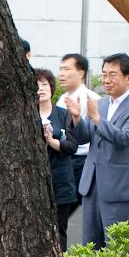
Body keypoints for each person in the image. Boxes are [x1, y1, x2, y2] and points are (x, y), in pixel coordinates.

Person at [67, 53, 129, 247]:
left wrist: (96, 118)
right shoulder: (101, 103)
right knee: (90, 246)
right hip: (92, 183)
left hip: (118, 188)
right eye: (104, 74)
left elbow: (122, 138)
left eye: (112, 75)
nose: (106, 80)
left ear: (128, 78)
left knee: (117, 249)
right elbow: (83, 137)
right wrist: (77, 119)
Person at [33, 69, 78, 248]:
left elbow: (72, 146)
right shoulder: (25, 115)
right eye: (36, 85)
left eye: (44, 84)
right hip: (34, 182)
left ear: (51, 88)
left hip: (60, 181)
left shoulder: (63, 114)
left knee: (59, 231)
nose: (41, 88)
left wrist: (52, 141)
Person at [54, 53, 100, 223]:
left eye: (66, 69)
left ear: (81, 73)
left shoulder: (93, 99)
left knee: (66, 211)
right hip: (65, 158)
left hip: (83, 161)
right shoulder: (62, 99)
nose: (61, 74)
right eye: (60, 69)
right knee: (61, 212)